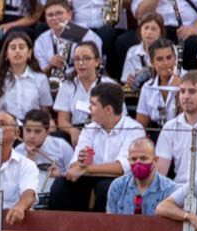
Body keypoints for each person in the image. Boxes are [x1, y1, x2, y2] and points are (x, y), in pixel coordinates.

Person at [50, 82, 146, 212]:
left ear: (108, 110)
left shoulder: (134, 129)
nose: (89, 108)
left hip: (122, 180)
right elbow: (74, 166)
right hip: (92, 177)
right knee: (61, 185)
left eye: (94, 104)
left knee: (106, 187)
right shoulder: (89, 129)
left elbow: (121, 168)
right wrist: (81, 162)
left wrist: (86, 169)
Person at [52, 41, 118, 146]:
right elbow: (62, 120)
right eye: (77, 59)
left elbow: (118, 117)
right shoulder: (68, 85)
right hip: (77, 129)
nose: (81, 63)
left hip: (102, 129)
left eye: (86, 58)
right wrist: (72, 131)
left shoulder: (110, 85)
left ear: (97, 61)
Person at [33, 0, 103, 84]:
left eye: (59, 13)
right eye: (50, 15)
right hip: (51, 85)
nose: (54, 18)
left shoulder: (88, 36)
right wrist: (50, 65)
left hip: (82, 83)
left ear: (70, 14)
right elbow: (39, 75)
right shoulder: (41, 41)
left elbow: (95, 66)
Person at [105, 137, 177, 215]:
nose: (138, 163)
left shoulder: (169, 189)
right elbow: (110, 221)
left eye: (144, 158)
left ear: (155, 160)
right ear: (129, 160)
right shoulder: (117, 186)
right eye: (134, 159)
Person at [0, 29, 52, 125]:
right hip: (5, 127)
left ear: (29, 53)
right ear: (6, 54)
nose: (17, 51)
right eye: (13, 48)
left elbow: (44, 109)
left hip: (32, 127)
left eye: (21, 47)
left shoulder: (40, 78)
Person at [134, 38, 181, 129]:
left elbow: (190, 118)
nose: (165, 63)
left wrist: (180, 90)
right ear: (152, 62)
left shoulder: (187, 82)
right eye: (160, 59)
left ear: (175, 59)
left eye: (169, 57)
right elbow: (141, 124)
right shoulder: (147, 87)